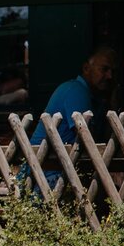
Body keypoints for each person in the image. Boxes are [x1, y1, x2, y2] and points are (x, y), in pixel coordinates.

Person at [27, 47, 118, 189]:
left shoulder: (91, 97)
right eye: (104, 69)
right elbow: (89, 140)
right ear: (86, 68)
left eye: (112, 71)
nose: (110, 76)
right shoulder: (76, 91)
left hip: (55, 170)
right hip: (44, 174)